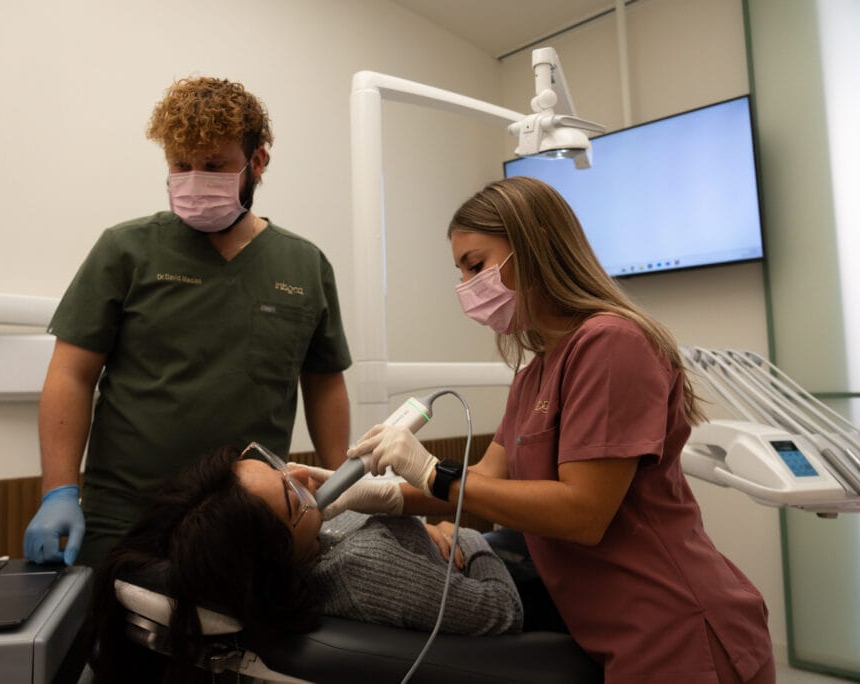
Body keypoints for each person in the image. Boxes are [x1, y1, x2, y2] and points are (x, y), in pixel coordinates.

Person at [328, 177, 775, 683]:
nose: (468, 287)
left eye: (477, 265)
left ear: (534, 243)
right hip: (613, 633)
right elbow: (484, 483)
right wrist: (369, 494)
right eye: (461, 272)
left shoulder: (611, 343)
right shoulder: (535, 373)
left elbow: (584, 512)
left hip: (677, 628)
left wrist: (432, 469)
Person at [24, 77, 352, 570]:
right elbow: (71, 373)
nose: (194, 179)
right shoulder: (126, 250)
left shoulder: (304, 265)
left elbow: (325, 384)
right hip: (127, 516)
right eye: (181, 165)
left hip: (247, 523)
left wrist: (337, 490)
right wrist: (59, 491)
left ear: (256, 162)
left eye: (215, 166)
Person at [87, 443, 522, 683]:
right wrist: (460, 531)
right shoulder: (366, 570)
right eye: (290, 494)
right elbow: (504, 611)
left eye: (275, 465)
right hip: (499, 581)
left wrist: (414, 524)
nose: (301, 476)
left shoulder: (317, 539)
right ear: (276, 554)